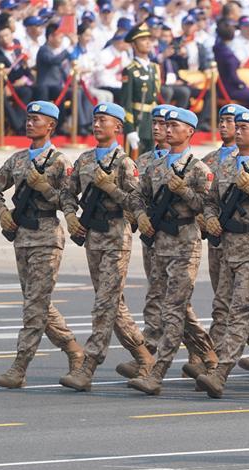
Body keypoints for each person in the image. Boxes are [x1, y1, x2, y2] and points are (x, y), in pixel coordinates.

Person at [0, 101, 84, 389]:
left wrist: (43, 188)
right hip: (22, 235)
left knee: (34, 306)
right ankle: (74, 349)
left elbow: (68, 201)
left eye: (36, 119)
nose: (29, 123)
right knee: (37, 302)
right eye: (28, 118)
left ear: (50, 126)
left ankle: (20, 366)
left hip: (47, 237)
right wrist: (2, 211)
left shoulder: (60, 162)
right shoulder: (16, 159)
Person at [58, 103, 152, 391]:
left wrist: (111, 188)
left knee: (104, 304)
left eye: (103, 120)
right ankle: (145, 357)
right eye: (95, 119)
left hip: (116, 237)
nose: (97, 124)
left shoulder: (125, 163)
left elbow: (137, 203)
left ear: (118, 128)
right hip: (93, 236)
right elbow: (67, 191)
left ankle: (88, 365)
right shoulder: (85, 159)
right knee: (112, 303)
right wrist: (71, 215)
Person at [195, 110, 249, 399]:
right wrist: (209, 218)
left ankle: (220, 372)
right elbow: (210, 201)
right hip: (227, 246)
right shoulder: (225, 166)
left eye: (244, 127)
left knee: (240, 311)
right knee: (237, 309)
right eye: (238, 126)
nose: (238, 130)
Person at [127, 107, 214, 395]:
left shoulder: (199, 169)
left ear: (189, 132)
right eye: (166, 126)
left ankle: (156, 372)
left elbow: (209, 207)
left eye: (175, 126)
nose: (167, 130)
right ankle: (208, 354)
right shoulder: (155, 165)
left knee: (174, 309)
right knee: (164, 303)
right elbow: (138, 196)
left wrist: (185, 191)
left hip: (185, 241)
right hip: (159, 242)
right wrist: (140, 216)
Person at [120, 23, 158, 156]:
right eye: (142, 39)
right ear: (134, 45)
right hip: (138, 121)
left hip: (151, 123)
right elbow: (126, 102)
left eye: (149, 39)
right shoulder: (130, 70)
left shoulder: (154, 68)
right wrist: (129, 129)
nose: (148, 42)